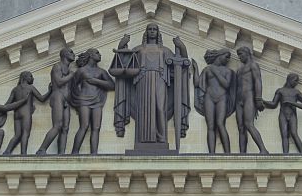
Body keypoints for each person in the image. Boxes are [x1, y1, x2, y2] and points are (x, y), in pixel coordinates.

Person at [111, 23, 190, 152]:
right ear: (146, 32)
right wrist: (122, 44)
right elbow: (123, 61)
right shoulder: (139, 49)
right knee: (143, 109)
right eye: (150, 29)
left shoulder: (165, 50)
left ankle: (161, 138)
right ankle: (142, 140)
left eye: (154, 29)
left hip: (160, 80)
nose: (152, 32)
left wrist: (181, 46)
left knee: (160, 107)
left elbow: (182, 63)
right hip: (143, 81)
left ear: (158, 33)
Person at [70, 48, 114, 154]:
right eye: (97, 53)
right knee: (84, 125)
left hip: (97, 101)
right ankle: (74, 152)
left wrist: (95, 81)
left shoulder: (101, 72)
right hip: (84, 100)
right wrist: (77, 99)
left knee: (96, 127)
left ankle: (94, 153)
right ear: (90, 55)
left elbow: (112, 85)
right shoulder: (81, 71)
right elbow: (73, 86)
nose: (100, 55)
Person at [192, 48, 236, 154]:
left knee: (220, 123)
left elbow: (226, 84)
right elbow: (197, 83)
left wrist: (215, 71)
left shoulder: (228, 71)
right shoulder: (207, 69)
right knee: (210, 126)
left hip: (222, 97)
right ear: (219, 56)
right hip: (209, 97)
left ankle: (228, 153)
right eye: (226, 57)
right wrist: (196, 69)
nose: (227, 60)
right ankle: (211, 153)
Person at [37, 47, 75, 155]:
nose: (73, 54)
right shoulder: (57, 66)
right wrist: (71, 76)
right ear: (64, 55)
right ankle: (42, 149)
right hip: (58, 96)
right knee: (57, 125)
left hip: (66, 100)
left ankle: (61, 153)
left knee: (65, 128)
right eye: (71, 52)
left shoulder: (68, 69)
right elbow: (58, 82)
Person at [3, 71, 51, 155]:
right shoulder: (30, 87)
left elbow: (7, 105)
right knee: (25, 133)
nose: (32, 78)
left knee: (17, 135)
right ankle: (23, 153)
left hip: (17, 114)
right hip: (26, 113)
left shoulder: (15, 89)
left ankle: (7, 151)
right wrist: (50, 90)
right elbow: (42, 99)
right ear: (25, 77)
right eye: (30, 76)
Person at [263, 73, 302, 153]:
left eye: (297, 81)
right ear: (289, 79)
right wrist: (262, 101)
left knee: (294, 133)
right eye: (295, 81)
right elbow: (273, 104)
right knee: (284, 135)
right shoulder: (280, 91)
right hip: (283, 115)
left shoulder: (296, 92)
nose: (296, 83)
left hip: (292, 115)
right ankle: (285, 155)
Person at [236, 46, 269, 154]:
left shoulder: (253, 66)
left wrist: (258, 98)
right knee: (241, 128)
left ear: (247, 53)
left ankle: (263, 149)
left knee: (249, 124)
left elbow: (258, 81)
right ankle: (242, 154)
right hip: (239, 100)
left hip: (249, 97)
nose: (239, 57)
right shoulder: (240, 69)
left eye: (241, 54)